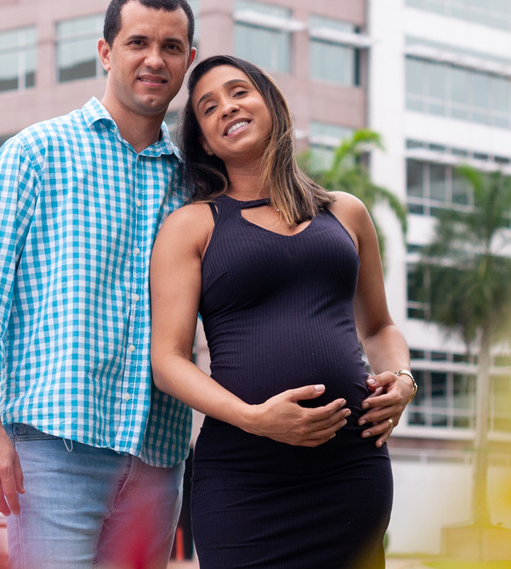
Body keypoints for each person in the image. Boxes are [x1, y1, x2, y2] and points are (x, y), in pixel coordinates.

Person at [0, 0, 197, 569]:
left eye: (172, 47)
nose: (154, 60)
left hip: (158, 456)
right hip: (53, 450)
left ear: (188, 60)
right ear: (106, 52)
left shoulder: (193, 184)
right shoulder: (35, 153)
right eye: (138, 43)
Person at [150, 55, 417, 569]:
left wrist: (402, 378)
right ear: (204, 139)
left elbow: (379, 326)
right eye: (209, 107)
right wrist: (255, 419)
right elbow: (169, 360)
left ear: (270, 103)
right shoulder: (192, 226)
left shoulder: (346, 212)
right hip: (245, 475)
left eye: (239, 92)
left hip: (350, 465)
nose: (228, 107)